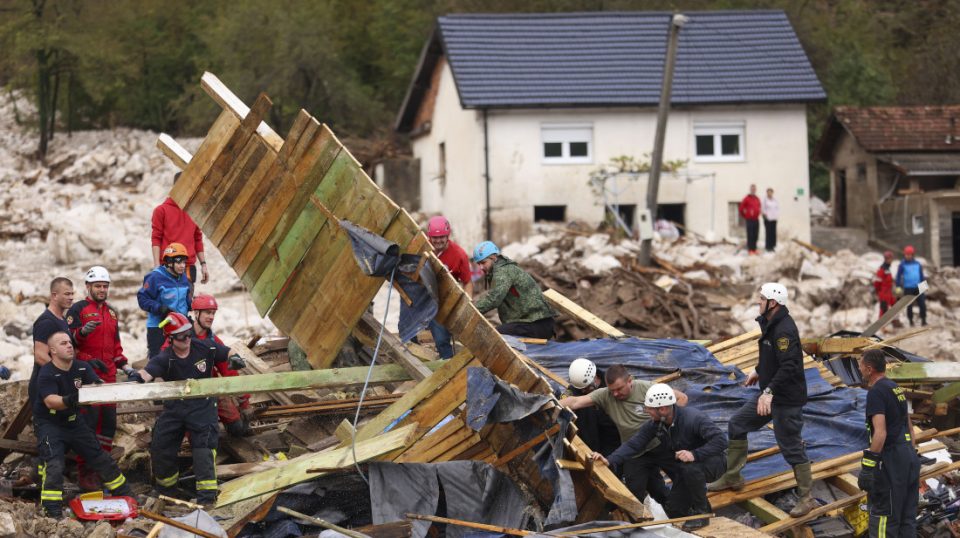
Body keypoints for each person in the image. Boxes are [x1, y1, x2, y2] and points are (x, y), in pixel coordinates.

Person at [708, 283, 817, 517]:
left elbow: (790, 364)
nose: (757, 302)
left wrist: (769, 392)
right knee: (737, 424)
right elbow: (773, 357)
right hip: (770, 394)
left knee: (790, 446)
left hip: (785, 399)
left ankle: (806, 498)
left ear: (773, 303)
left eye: (761, 299)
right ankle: (733, 476)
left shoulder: (784, 330)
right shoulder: (771, 323)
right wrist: (758, 370)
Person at [128, 312, 245, 504]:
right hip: (175, 408)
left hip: (203, 407)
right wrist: (136, 377)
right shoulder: (166, 357)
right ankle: (167, 491)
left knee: (203, 450)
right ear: (171, 338)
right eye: (182, 336)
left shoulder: (204, 347)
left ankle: (207, 499)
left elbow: (227, 351)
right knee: (161, 445)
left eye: (189, 333)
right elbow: (148, 372)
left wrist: (235, 358)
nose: (187, 339)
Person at [592, 384, 727, 531]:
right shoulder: (658, 423)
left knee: (689, 468)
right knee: (674, 509)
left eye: (649, 408)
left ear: (662, 409)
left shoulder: (693, 418)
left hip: (714, 462)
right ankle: (697, 509)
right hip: (689, 467)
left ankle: (702, 514)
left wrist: (695, 454)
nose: (646, 412)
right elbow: (634, 444)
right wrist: (609, 459)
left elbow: (721, 440)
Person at [34, 332, 132, 517]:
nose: (69, 346)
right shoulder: (46, 372)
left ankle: (127, 496)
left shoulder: (82, 367)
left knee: (101, 458)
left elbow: (97, 386)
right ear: (53, 350)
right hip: (50, 424)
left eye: (70, 342)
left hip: (74, 422)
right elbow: (50, 401)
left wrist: (98, 385)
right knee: (54, 465)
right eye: (63, 343)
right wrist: (72, 398)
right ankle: (52, 511)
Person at [560, 364, 688, 505]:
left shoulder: (647, 388)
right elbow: (575, 401)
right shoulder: (605, 395)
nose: (615, 394)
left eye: (619, 389)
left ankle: (693, 511)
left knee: (684, 477)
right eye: (612, 390)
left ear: (629, 381)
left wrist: (670, 425)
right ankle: (638, 524)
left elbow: (681, 398)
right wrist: (548, 404)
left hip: (660, 445)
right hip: (634, 452)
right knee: (633, 496)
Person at [66, 266, 129, 491]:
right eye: (98, 286)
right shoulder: (78, 309)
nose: (102, 290)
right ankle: (86, 473)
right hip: (88, 378)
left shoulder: (111, 313)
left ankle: (104, 469)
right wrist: (84, 351)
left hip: (109, 378)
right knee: (88, 425)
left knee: (108, 426)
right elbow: (67, 344)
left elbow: (116, 347)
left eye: (105, 286)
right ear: (88, 287)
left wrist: (126, 366)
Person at [162, 294, 252, 437]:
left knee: (238, 428)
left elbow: (229, 370)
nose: (211, 317)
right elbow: (163, 362)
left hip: (211, 391)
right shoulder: (179, 335)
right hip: (186, 395)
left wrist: (244, 401)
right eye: (207, 313)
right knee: (195, 435)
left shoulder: (213, 340)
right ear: (196, 313)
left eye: (213, 313)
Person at [857, 349, 920, 538]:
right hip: (908, 458)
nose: (859, 369)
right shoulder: (895, 388)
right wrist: (912, 450)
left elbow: (880, 433)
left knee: (885, 517)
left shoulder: (876, 392)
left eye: (860, 365)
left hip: (891, 462)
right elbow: (908, 424)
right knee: (906, 519)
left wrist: (868, 466)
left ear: (869, 369)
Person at [472, 241, 557, 339]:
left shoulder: (503, 272)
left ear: (494, 258)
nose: (481, 267)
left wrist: (471, 311)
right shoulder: (500, 270)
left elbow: (494, 298)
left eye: (483, 262)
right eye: (478, 264)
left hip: (537, 323)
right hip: (530, 323)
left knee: (496, 337)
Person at [423, 216, 473, 358]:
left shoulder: (459, 255)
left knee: (441, 338)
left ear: (448, 236)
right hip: (422, 293)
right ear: (429, 237)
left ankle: (447, 363)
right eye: (434, 237)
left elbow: (467, 281)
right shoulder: (423, 248)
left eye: (442, 237)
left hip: (443, 299)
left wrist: (467, 304)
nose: (438, 240)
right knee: (409, 331)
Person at [138, 242, 193, 358]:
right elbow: (142, 299)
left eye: (184, 262)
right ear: (169, 262)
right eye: (179, 262)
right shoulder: (155, 277)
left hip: (181, 326)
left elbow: (186, 300)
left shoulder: (183, 277)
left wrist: (193, 304)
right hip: (159, 327)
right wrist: (160, 308)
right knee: (157, 361)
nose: (182, 265)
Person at [152, 174, 208, 285]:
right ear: (176, 187)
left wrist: (203, 264)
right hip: (167, 268)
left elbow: (197, 238)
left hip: (188, 269)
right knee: (168, 302)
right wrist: (156, 266)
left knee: (186, 302)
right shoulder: (161, 211)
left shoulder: (194, 211)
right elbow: (156, 239)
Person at [31, 278, 76, 404]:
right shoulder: (46, 322)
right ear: (54, 296)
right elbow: (40, 356)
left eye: (72, 294)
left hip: (58, 385)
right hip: (47, 388)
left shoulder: (62, 319)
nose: (71, 297)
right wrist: (65, 375)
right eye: (67, 294)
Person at [566, 358, 619, 456]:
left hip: (612, 435)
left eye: (586, 388)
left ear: (595, 377)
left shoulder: (612, 383)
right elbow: (569, 400)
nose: (583, 391)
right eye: (581, 389)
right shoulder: (577, 387)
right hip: (589, 437)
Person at [895, 245, 926, 326]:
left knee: (922, 304)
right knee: (909, 305)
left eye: (909, 254)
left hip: (919, 287)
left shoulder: (918, 264)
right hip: (908, 287)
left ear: (912, 255)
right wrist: (898, 286)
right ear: (904, 255)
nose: (908, 256)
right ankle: (911, 321)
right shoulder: (902, 264)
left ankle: (924, 320)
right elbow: (898, 276)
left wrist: (924, 285)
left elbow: (921, 275)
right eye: (906, 254)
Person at [739, 184, 762, 255]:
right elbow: (741, 208)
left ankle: (754, 249)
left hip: (756, 219)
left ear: (756, 190)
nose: (753, 190)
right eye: (752, 189)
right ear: (750, 189)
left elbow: (759, 207)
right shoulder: (747, 198)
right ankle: (750, 250)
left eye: (754, 189)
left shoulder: (757, 198)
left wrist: (758, 212)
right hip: (749, 220)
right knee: (750, 235)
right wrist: (745, 215)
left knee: (756, 235)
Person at [873, 251, 896, 319]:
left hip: (889, 291)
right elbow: (877, 282)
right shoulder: (882, 269)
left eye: (891, 259)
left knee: (895, 306)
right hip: (883, 292)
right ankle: (882, 326)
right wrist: (878, 291)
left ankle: (894, 321)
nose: (891, 260)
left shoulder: (887, 269)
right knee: (883, 309)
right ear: (886, 259)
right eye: (889, 259)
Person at [761, 188, 779, 252]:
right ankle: (768, 247)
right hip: (768, 219)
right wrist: (765, 216)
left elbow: (777, 208)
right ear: (767, 193)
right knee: (768, 233)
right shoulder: (765, 200)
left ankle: (772, 246)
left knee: (773, 233)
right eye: (768, 192)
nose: (769, 193)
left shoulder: (775, 200)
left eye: (771, 192)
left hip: (774, 219)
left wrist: (776, 216)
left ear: (772, 193)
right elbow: (763, 209)